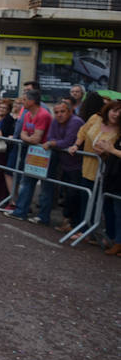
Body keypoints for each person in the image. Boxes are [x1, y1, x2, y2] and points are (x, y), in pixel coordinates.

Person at [68, 100, 121, 249]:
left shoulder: (119, 129)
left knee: (104, 204)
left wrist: (106, 151)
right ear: (108, 110)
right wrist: (76, 145)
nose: (116, 114)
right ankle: (86, 230)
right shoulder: (95, 118)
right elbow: (83, 131)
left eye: (119, 112)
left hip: (106, 171)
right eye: (114, 110)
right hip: (87, 165)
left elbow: (113, 149)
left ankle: (110, 237)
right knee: (86, 197)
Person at [29, 100, 83, 228]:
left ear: (70, 111)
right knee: (66, 193)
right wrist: (54, 142)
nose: (59, 115)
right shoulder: (55, 121)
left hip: (77, 165)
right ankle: (67, 221)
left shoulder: (76, 122)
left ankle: (72, 223)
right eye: (57, 112)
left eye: (63, 111)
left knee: (74, 194)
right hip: (64, 163)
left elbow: (68, 142)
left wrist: (53, 144)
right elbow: (49, 137)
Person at [4, 89, 53, 220]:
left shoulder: (43, 114)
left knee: (45, 186)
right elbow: (22, 133)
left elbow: (37, 138)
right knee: (26, 182)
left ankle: (43, 217)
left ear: (32, 101)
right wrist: (29, 138)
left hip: (44, 153)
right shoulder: (26, 114)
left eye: (24, 100)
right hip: (32, 152)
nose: (22, 102)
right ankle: (21, 211)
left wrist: (28, 138)